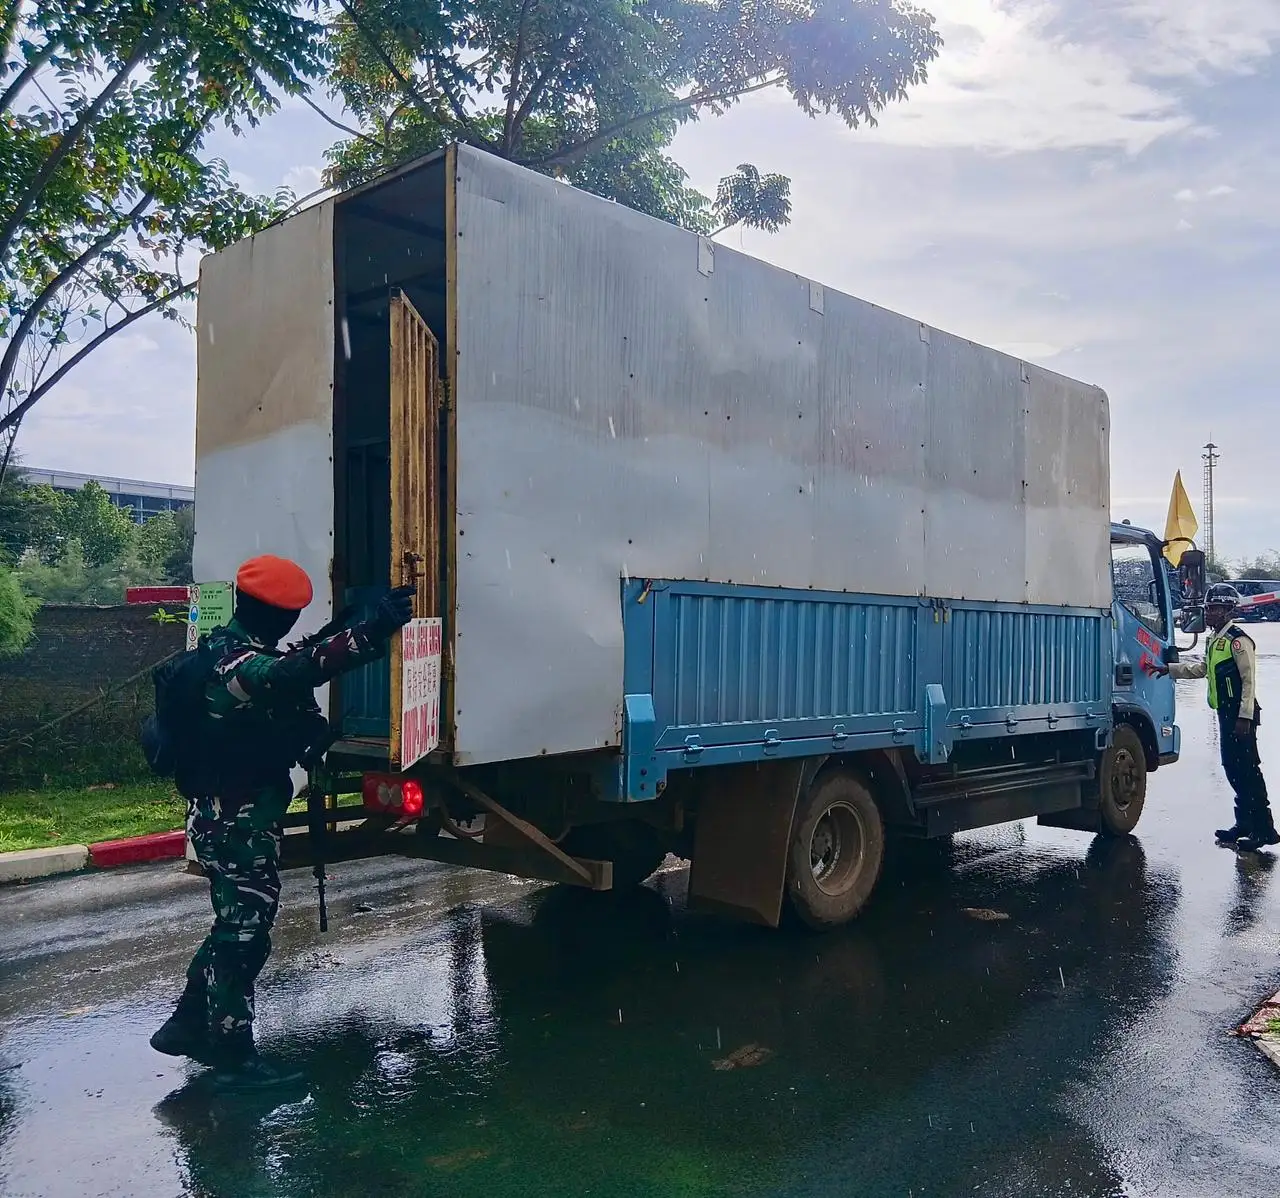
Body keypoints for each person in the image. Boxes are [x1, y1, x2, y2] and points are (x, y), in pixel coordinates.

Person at [149, 554, 415, 1088]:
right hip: (236, 824)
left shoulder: (229, 652)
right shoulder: (236, 666)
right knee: (245, 936)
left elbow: (279, 695)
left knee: (235, 926)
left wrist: (304, 735)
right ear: (277, 617)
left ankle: (185, 1022)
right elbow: (294, 672)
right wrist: (370, 631)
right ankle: (230, 1052)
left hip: (228, 818)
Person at [1148, 583, 1278, 853]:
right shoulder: (1216, 640)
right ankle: (1243, 824)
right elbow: (1202, 669)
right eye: (1209, 608)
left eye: (1217, 609)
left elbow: (1248, 681)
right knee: (1233, 769)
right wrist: (1168, 669)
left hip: (1240, 716)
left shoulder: (1238, 641)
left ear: (1230, 610)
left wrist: (1245, 716)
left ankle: (1264, 829)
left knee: (1248, 771)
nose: (1210, 613)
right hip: (1225, 714)